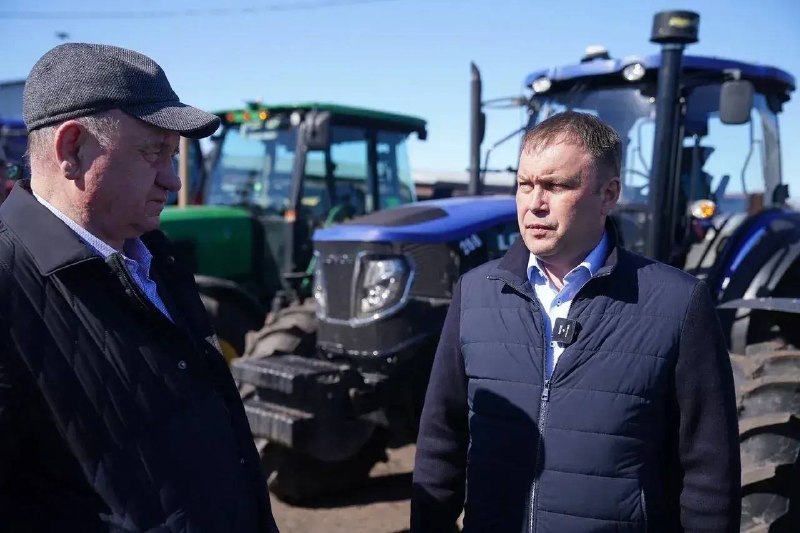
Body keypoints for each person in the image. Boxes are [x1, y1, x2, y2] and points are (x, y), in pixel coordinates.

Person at [411, 111, 740, 532]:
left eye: (556, 186)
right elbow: (441, 441)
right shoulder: (475, 293)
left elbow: (709, 472)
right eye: (525, 185)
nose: (534, 204)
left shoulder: (678, 303)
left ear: (608, 194)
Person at [0, 43, 279, 532]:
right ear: (72, 150)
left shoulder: (157, 260)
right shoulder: (9, 287)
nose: (172, 181)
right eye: (154, 152)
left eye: (174, 156)